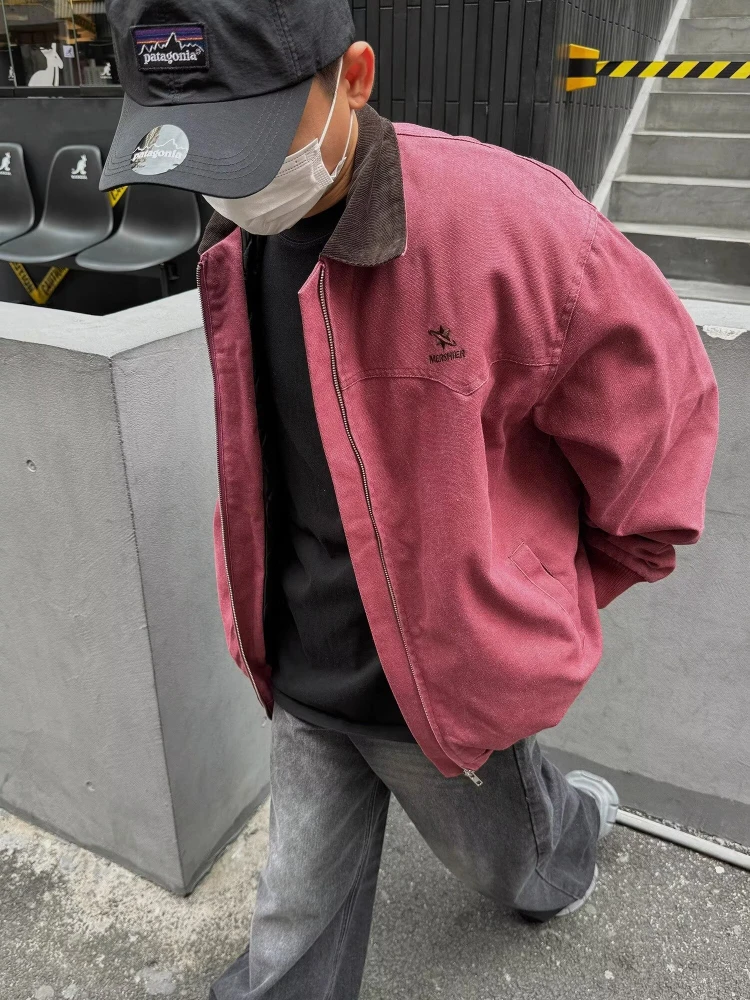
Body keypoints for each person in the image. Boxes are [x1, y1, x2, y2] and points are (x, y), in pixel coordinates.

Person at [101, 2, 720, 997]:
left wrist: (554, 579)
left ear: (354, 76)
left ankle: (571, 829)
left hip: (446, 676)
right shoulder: (238, 239)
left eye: (249, 137)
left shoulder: (506, 220)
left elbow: (657, 393)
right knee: (290, 923)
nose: (227, 179)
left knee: (515, 864)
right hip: (304, 656)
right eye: (197, 145)